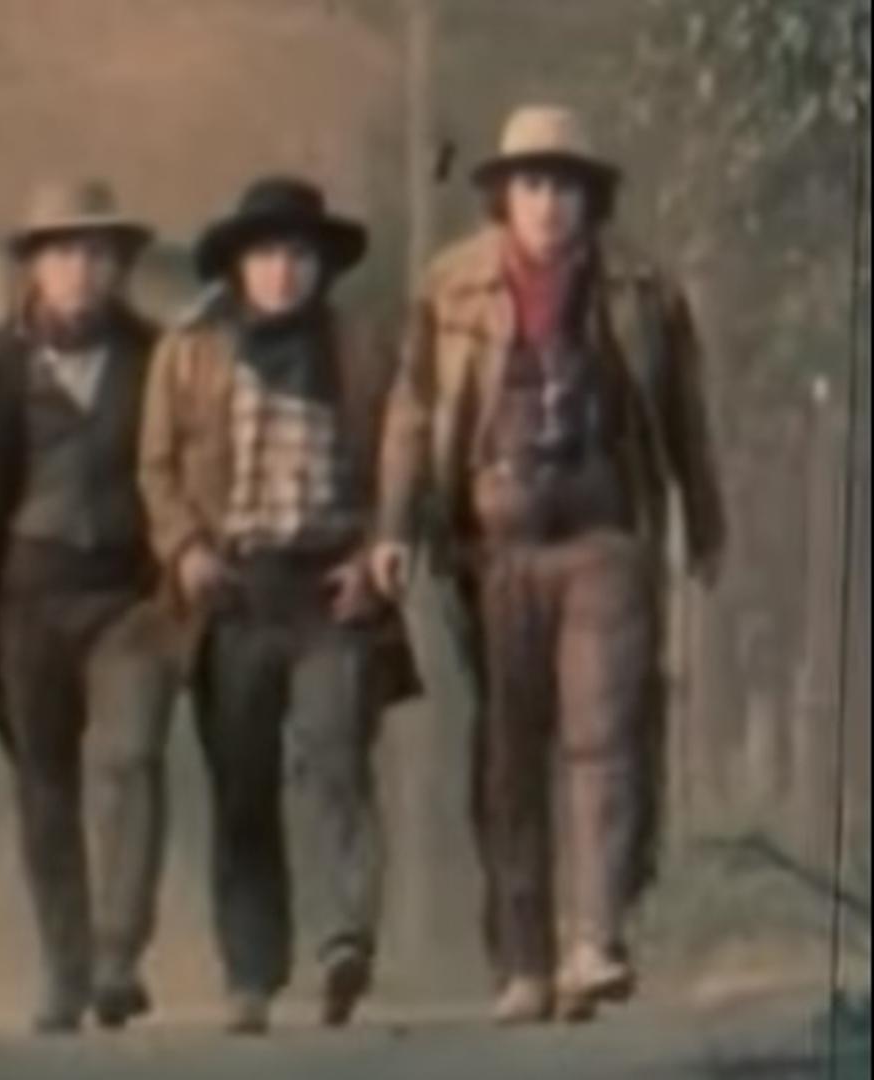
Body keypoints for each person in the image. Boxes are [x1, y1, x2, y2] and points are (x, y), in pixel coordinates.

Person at [372, 105, 727, 1024]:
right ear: (502, 196)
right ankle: (522, 959)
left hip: (602, 536)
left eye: (565, 186)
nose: (547, 204)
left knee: (604, 733)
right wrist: (394, 526)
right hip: (492, 545)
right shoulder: (449, 286)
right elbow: (411, 412)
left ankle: (594, 938)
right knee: (508, 750)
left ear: (589, 199)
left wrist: (704, 522)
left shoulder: (641, 289)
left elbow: (682, 413)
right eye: (530, 185)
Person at [139, 176, 416, 1035]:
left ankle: (344, 939)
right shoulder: (189, 352)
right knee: (242, 785)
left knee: (337, 756)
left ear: (322, 265)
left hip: (328, 591)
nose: (283, 271)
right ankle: (250, 972)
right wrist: (185, 550)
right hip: (234, 593)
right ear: (236, 266)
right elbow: (156, 468)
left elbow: (401, 458)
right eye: (265, 254)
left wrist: (376, 553)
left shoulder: (362, 349)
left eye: (299, 254)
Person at [0, 179, 183, 1033]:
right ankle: (63, 968)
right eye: (64, 252)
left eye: (98, 253)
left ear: (119, 267)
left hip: (130, 597)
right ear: (34, 266)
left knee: (133, 757)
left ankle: (117, 955)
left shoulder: (157, 359)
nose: (81, 269)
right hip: (24, 601)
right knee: (44, 785)